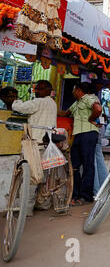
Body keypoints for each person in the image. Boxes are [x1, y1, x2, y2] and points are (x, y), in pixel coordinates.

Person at [12, 80, 57, 214]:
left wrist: (15, 101)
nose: (37, 91)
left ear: (48, 91)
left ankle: (25, 210)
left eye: (41, 89)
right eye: (36, 89)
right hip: (46, 144)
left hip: (35, 145)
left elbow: (20, 108)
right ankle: (43, 204)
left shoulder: (39, 102)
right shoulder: (52, 103)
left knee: (32, 178)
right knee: (43, 177)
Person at [58, 82, 102, 205]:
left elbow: (98, 109)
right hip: (78, 135)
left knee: (88, 165)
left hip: (88, 133)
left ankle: (85, 196)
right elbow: (66, 114)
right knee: (74, 166)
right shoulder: (76, 103)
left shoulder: (89, 98)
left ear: (78, 90)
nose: (72, 92)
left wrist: (91, 119)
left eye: (73, 90)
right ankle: (75, 194)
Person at [87, 82, 109, 197]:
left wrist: (90, 120)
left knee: (94, 162)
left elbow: (99, 114)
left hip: (93, 133)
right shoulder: (97, 100)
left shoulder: (91, 100)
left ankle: (96, 191)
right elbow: (102, 120)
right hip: (99, 133)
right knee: (99, 160)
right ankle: (105, 188)